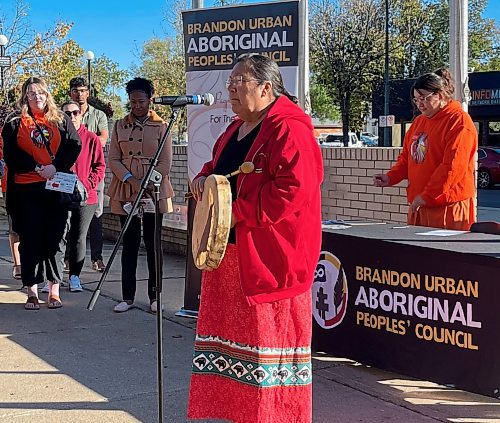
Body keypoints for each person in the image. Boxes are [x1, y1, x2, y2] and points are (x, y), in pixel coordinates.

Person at [187, 54, 323, 423]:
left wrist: (235, 211)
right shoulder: (235, 128)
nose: (230, 87)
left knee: (267, 353)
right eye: (229, 80)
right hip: (230, 258)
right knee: (232, 351)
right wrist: (202, 179)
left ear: (266, 88)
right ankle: (239, 414)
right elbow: (218, 168)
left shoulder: (289, 128)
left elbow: (294, 190)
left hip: (268, 259)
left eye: (239, 80)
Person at [2, 77, 81, 310]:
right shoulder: (15, 122)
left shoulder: (61, 119)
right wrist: (36, 167)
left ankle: (54, 290)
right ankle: (32, 291)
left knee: (55, 239)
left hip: (56, 187)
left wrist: (54, 167)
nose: (37, 97)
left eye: (41, 93)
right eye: (32, 93)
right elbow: (11, 153)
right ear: (25, 96)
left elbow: (74, 146)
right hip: (27, 188)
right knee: (30, 240)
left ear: (48, 95)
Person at [373, 69, 478, 230]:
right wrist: (391, 177)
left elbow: (453, 167)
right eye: (416, 100)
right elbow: (407, 158)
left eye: (424, 98)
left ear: (441, 95)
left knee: (443, 255)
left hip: (447, 207)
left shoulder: (459, 121)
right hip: (420, 204)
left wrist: (427, 195)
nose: (419, 104)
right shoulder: (418, 122)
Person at [107, 77, 174, 314]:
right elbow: (113, 159)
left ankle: (155, 296)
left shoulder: (161, 125)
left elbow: (166, 163)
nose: (137, 106)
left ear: (150, 100)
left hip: (153, 191)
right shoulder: (119, 125)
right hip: (126, 190)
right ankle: (127, 296)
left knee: (154, 245)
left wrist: (147, 184)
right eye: (133, 102)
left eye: (141, 101)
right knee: (130, 245)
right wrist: (131, 181)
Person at [57, 100, 105, 292]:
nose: (72, 117)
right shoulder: (57, 137)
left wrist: (85, 185)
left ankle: (75, 276)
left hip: (86, 197)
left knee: (78, 237)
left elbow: (100, 167)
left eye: (76, 112)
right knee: (58, 235)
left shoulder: (92, 139)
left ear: (81, 115)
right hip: (60, 194)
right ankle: (54, 277)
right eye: (67, 114)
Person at [69, 77, 108, 272]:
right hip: (71, 175)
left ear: (88, 93)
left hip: (90, 172)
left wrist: (87, 140)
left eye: (83, 90)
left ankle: (97, 257)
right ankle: (69, 260)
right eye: (76, 90)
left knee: (96, 216)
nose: (79, 94)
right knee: (69, 223)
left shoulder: (98, 115)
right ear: (71, 93)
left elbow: (103, 138)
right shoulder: (65, 113)